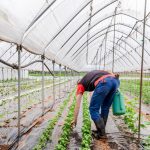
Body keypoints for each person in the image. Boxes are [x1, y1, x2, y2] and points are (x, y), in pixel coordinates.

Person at [72, 70, 120, 139]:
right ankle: (101, 131)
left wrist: (75, 119)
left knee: (93, 109)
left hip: (105, 82)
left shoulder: (80, 84)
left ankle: (102, 134)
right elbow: (109, 72)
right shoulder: (92, 75)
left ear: (78, 83)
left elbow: (77, 103)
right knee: (105, 107)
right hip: (115, 81)